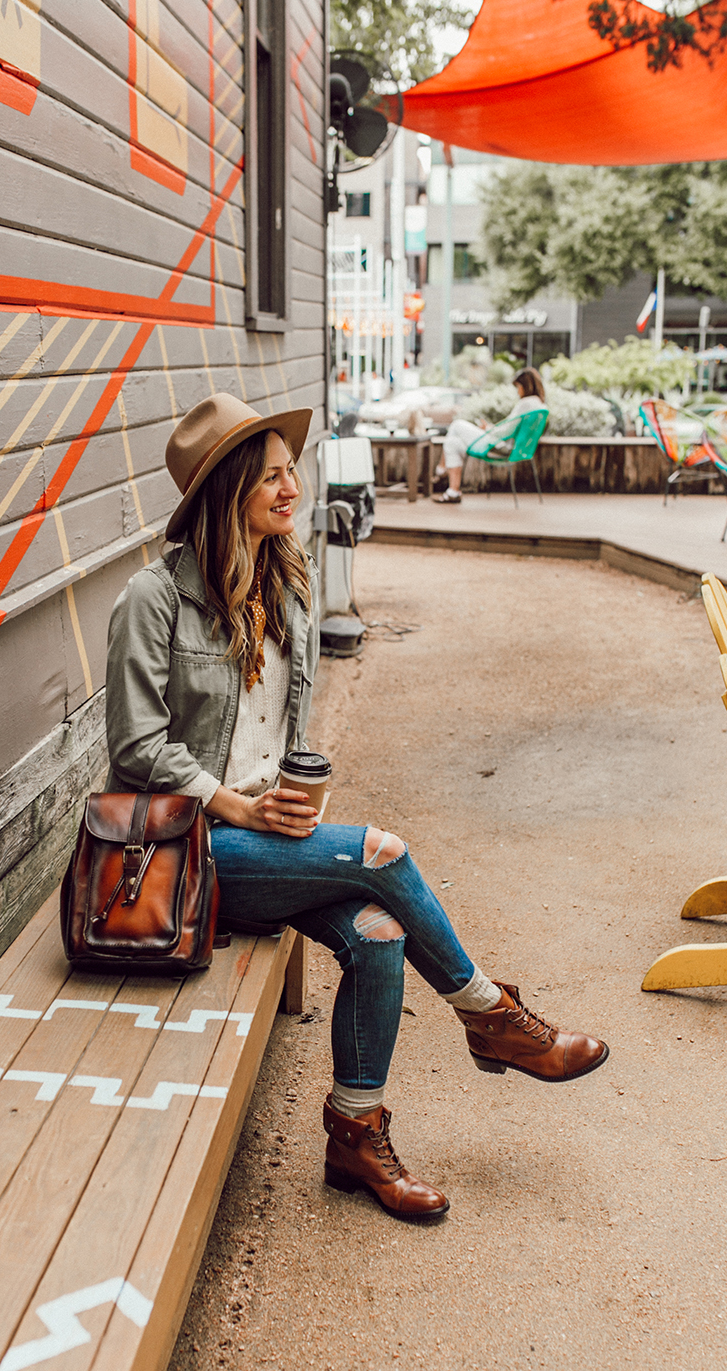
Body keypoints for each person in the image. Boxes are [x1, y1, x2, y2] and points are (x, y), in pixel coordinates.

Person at [105, 393, 607, 1223]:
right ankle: (491, 1015)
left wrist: (296, 797)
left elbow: (280, 735)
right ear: (227, 489)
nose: (289, 487)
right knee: (382, 851)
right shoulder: (151, 601)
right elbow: (136, 747)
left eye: (287, 471)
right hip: (187, 851)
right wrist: (238, 805)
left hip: (267, 837)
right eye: (269, 475)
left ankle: (353, 1137)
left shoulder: (285, 588)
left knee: (379, 938)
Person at [435, 366, 546, 503]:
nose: (518, 392)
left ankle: (440, 470)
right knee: (452, 444)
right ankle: (453, 492)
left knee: (457, 424)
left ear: (526, 386)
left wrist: (487, 429)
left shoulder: (526, 403)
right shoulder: (540, 406)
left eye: (518, 387)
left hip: (500, 448)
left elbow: (506, 431)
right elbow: (512, 428)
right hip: (512, 448)